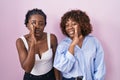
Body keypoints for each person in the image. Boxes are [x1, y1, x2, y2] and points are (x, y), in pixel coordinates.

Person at [53, 9, 106, 80]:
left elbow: (100, 66)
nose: (70, 27)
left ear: (82, 24)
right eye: (67, 25)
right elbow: (63, 68)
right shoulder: (63, 45)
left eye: (74, 24)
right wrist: (72, 45)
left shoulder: (93, 42)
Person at [16, 8, 60, 80]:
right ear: (27, 25)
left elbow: (56, 63)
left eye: (41, 24)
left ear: (44, 25)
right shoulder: (20, 42)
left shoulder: (52, 38)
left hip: (50, 76)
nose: (37, 27)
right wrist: (33, 43)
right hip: (30, 78)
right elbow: (27, 69)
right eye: (33, 23)